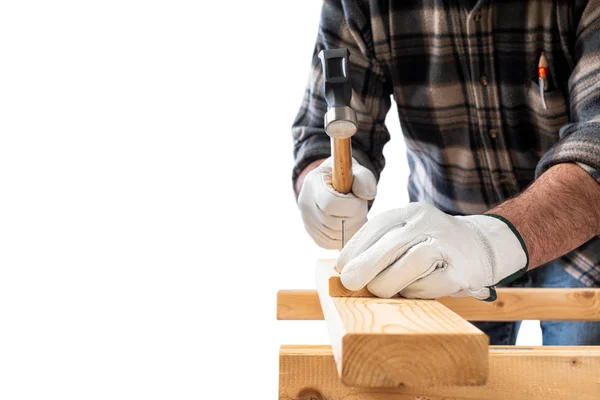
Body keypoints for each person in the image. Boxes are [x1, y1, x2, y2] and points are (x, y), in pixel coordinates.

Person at [292, 0, 600, 345]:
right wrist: (321, 181)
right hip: (444, 256)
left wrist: (489, 242)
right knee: (450, 381)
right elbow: (323, 133)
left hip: (585, 244)